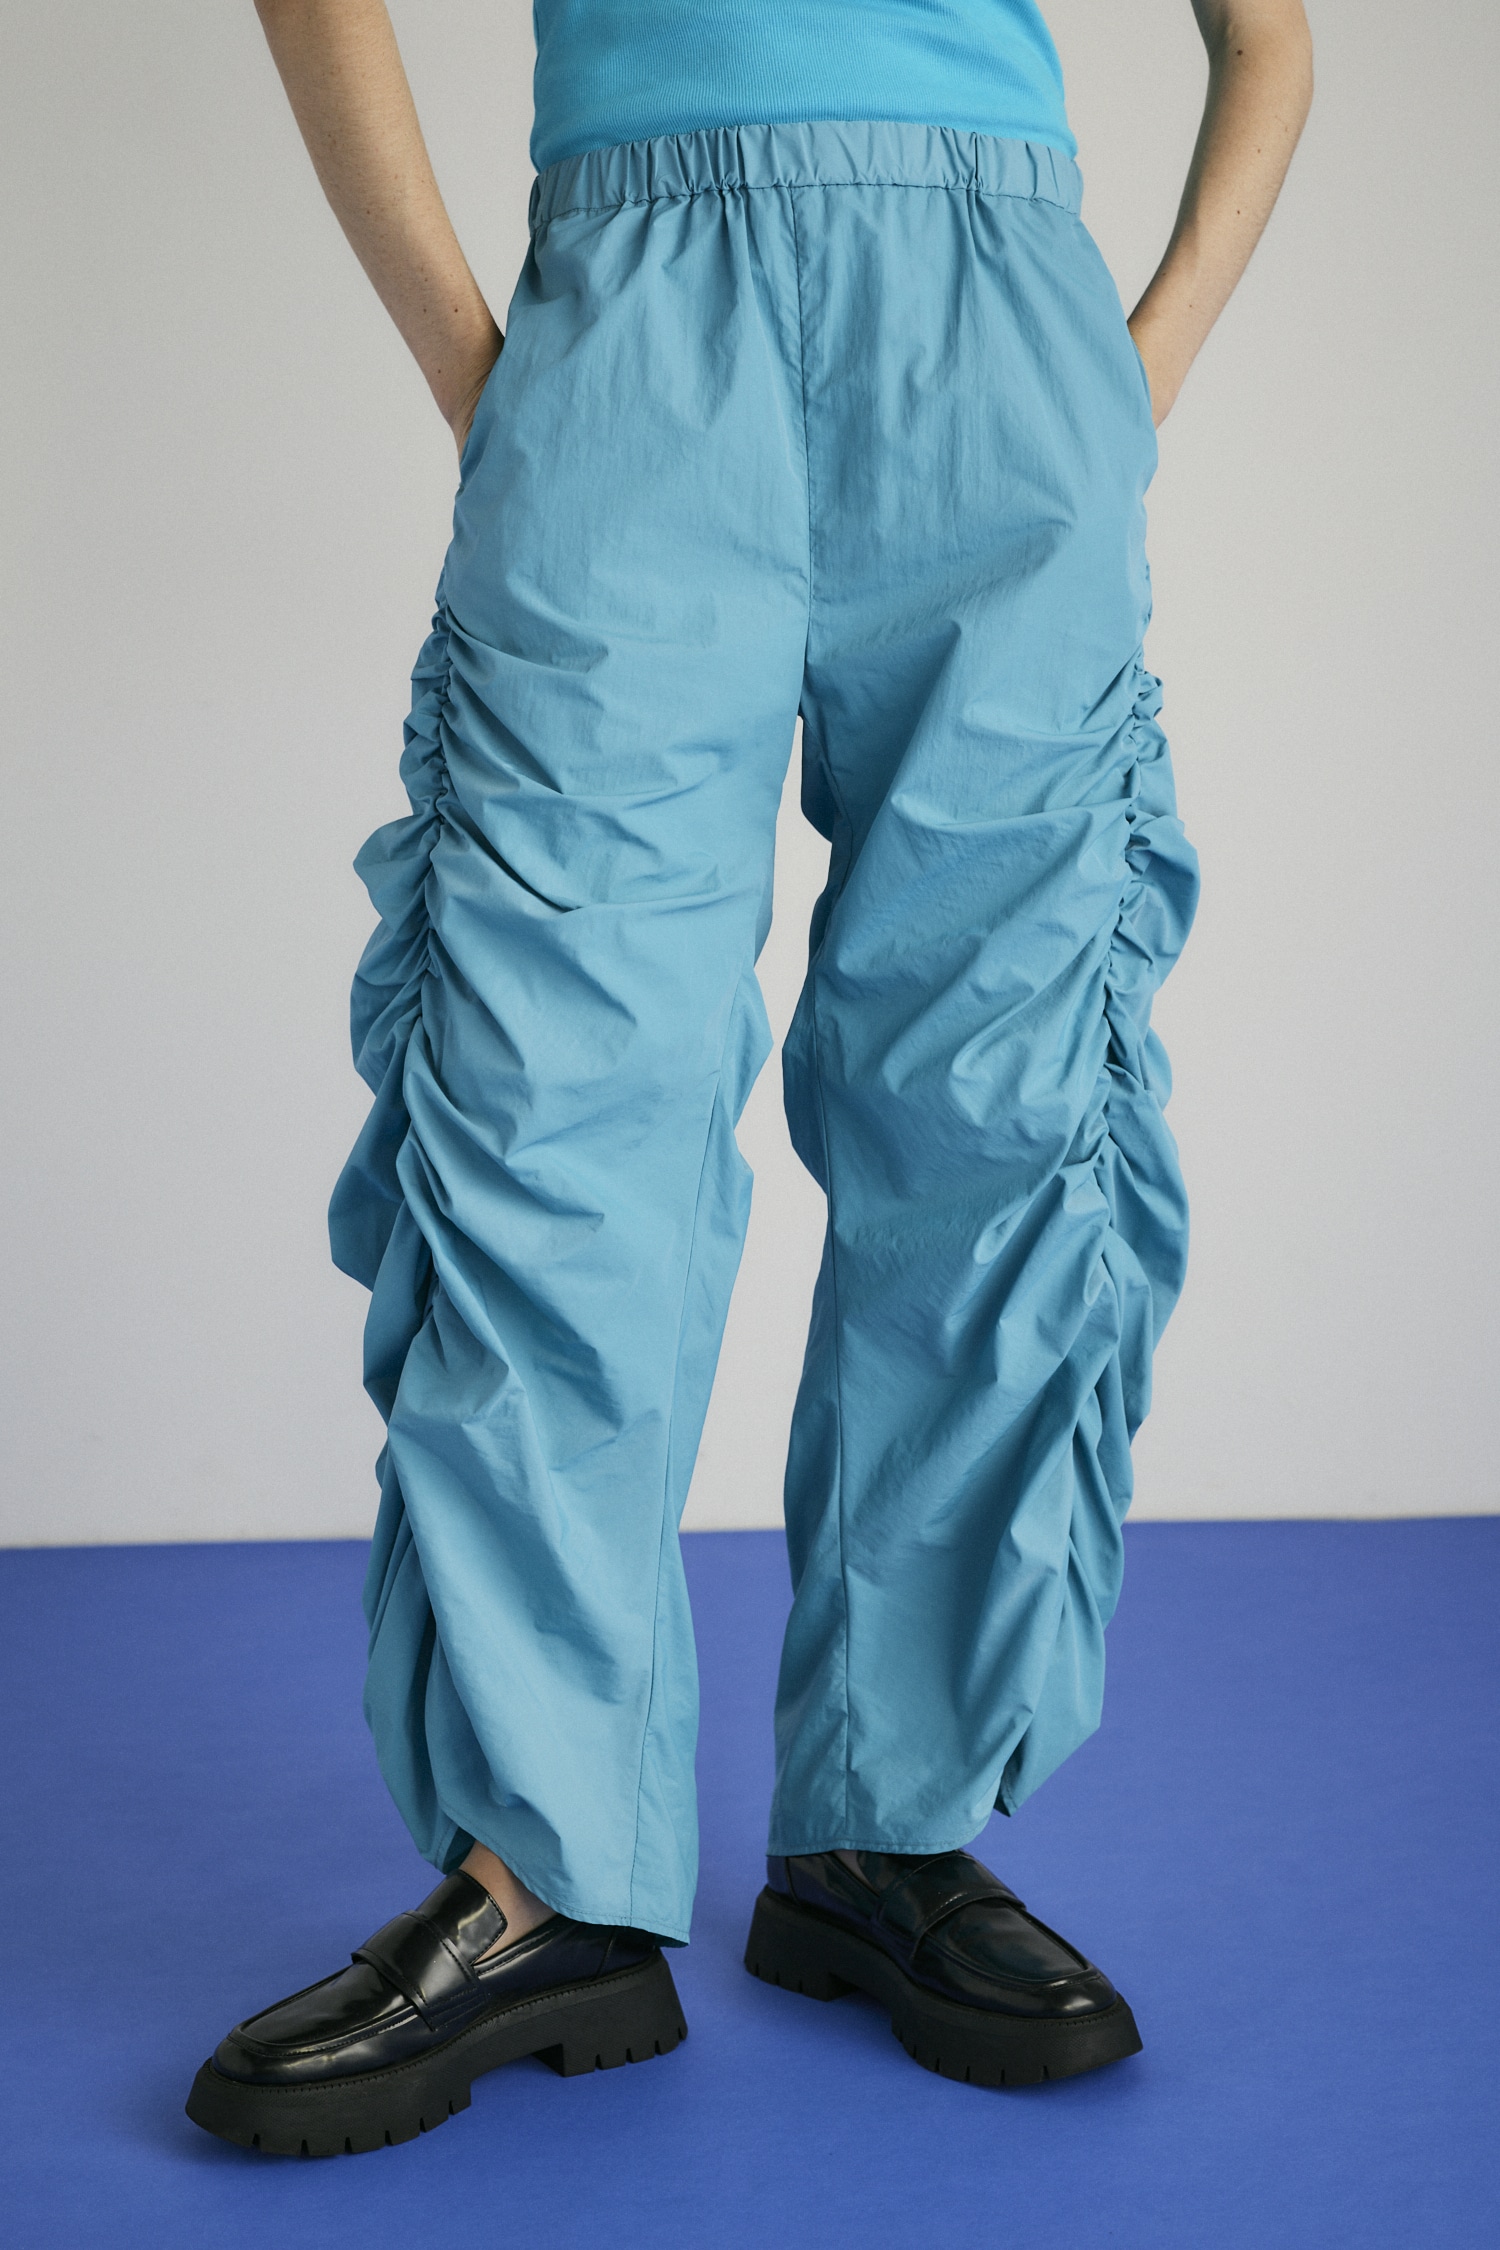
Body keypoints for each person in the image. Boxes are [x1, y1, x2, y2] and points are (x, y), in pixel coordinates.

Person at [186, 0, 1312, 2155]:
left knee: (994, 1122)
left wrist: (1128, 380)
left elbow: (1267, 36)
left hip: (1000, 342)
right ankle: (545, 1871)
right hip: (635, 313)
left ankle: (888, 1826)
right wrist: (476, 365)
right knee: (545, 1116)